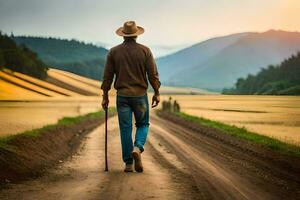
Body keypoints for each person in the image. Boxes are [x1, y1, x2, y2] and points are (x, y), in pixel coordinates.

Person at [101, 21, 161, 173]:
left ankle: (128, 163)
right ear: (136, 34)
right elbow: (152, 75)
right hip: (140, 96)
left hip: (122, 97)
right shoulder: (145, 51)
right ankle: (138, 147)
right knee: (143, 124)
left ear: (123, 34)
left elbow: (107, 77)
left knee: (125, 129)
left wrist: (105, 96)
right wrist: (157, 92)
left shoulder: (113, 52)